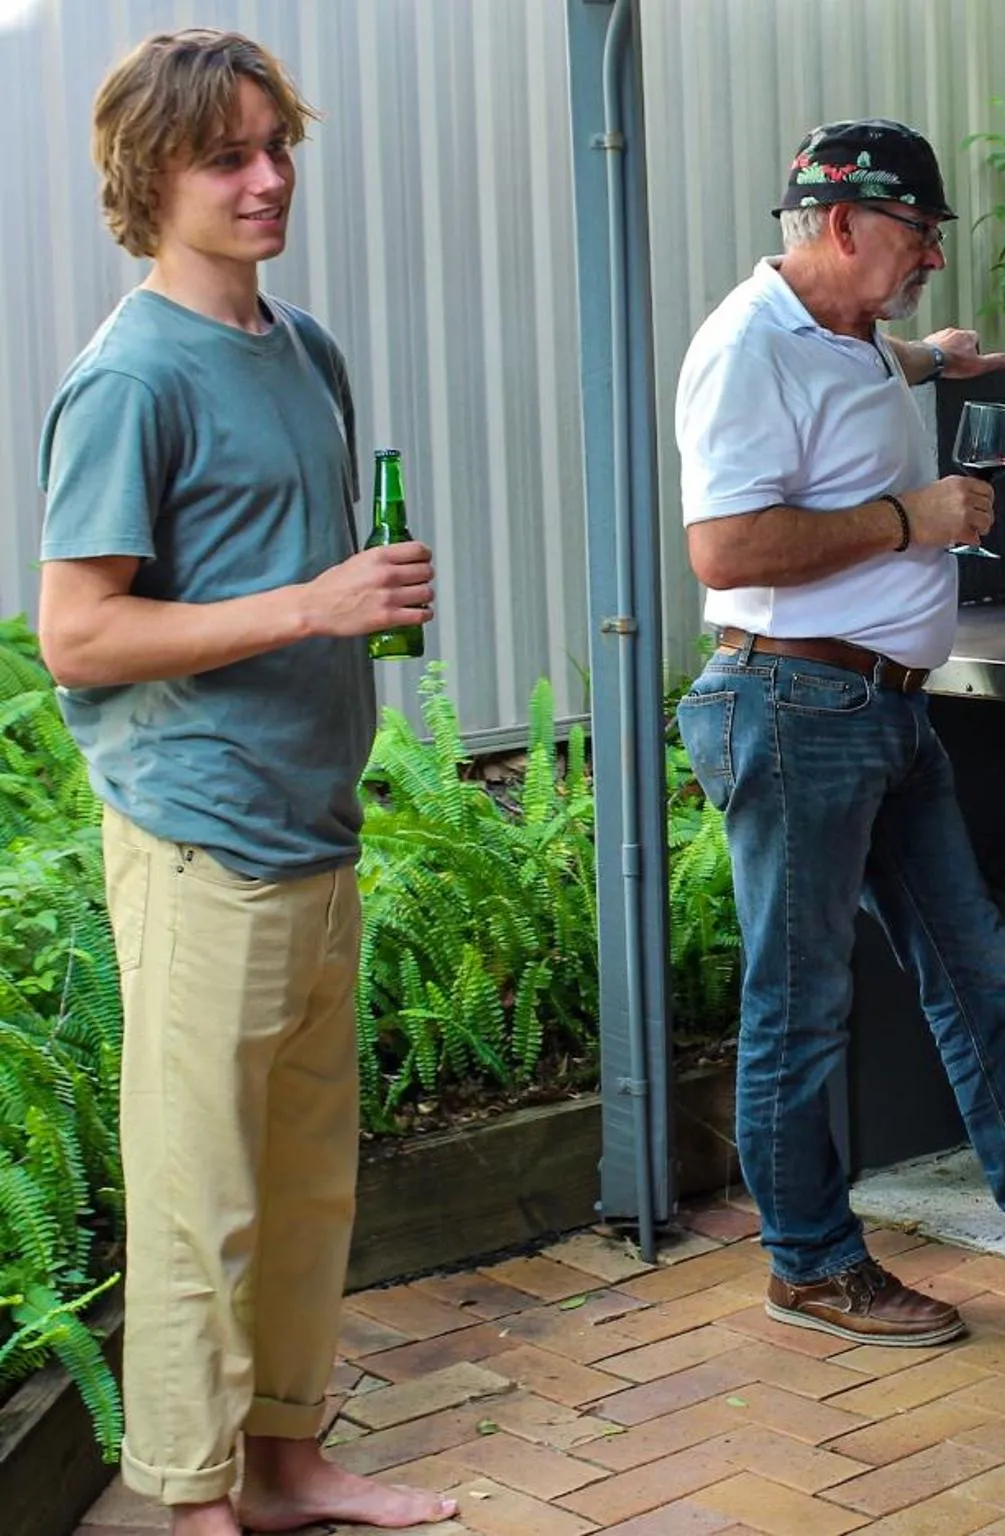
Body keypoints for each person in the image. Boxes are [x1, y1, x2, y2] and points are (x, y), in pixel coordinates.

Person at [672, 118, 1005, 1348]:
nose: (928, 255)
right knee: (799, 1010)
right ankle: (808, 1263)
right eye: (916, 234)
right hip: (791, 704)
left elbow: (867, 375)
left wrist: (936, 358)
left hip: (883, 711)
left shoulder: (854, 333)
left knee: (981, 979)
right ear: (841, 223)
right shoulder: (745, 348)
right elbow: (726, 548)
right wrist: (909, 520)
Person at [35, 30, 448, 1536]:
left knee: (304, 1189)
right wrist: (311, 607)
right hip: (198, 839)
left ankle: (284, 1466)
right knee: (201, 1198)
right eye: (231, 155)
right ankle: (188, 1498)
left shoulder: (305, 346)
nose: (270, 178)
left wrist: (356, 602)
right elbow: (76, 633)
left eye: (279, 144)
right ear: (152, 177)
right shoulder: (126, 379)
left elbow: (301, 574)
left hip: (314, 826)